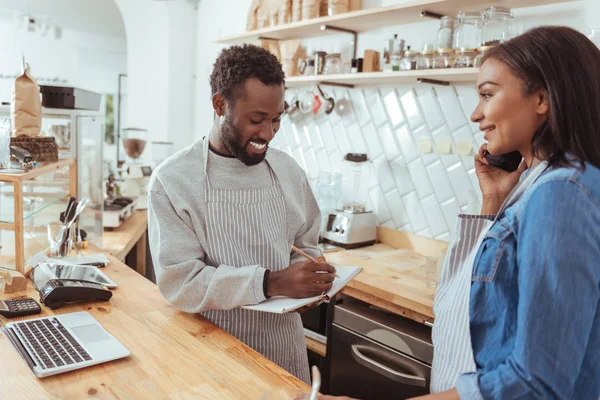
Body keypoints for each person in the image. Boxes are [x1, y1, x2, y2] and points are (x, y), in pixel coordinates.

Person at [318, 25, 600, 400]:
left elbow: (536, 383)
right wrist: (494, 200)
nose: (475, 114)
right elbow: (471, 297)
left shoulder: (561, 191)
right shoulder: (538, 184)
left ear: (542, 99)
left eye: (487, 95)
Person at [147, 44, 336, 385]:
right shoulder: (172, 181)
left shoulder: (289, 172)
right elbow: (181, 283)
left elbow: (306, 245)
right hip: (208, 359)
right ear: (220, 105)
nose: (267, 134)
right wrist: (271, 282)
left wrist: (312, 280)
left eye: (276, 119)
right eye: (256, 119)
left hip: (283, 352)